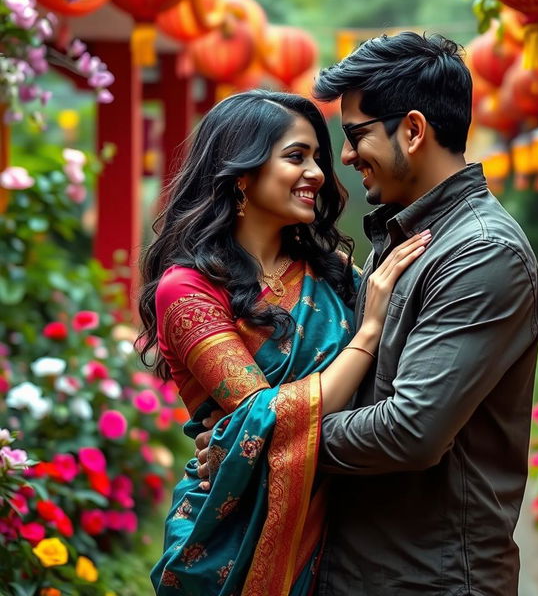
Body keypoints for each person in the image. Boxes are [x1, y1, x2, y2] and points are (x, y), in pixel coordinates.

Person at [196, 33, 538, 595]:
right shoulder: (406, 233)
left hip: (426, 579)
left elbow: (411, 430)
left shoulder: (481, 252)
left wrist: (257, 443)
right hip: (359, 567)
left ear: (412, 130)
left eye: (357, 135)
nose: (347, 157)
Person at [137, 90, 431, 596]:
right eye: (297, 156)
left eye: (316, 157)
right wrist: (367, 335)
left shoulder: (330, 271)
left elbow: (392, 381)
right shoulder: (187, 289)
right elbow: (264, 418)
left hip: (346, 527)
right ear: (241, 174)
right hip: (230, 534)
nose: (318, 172)